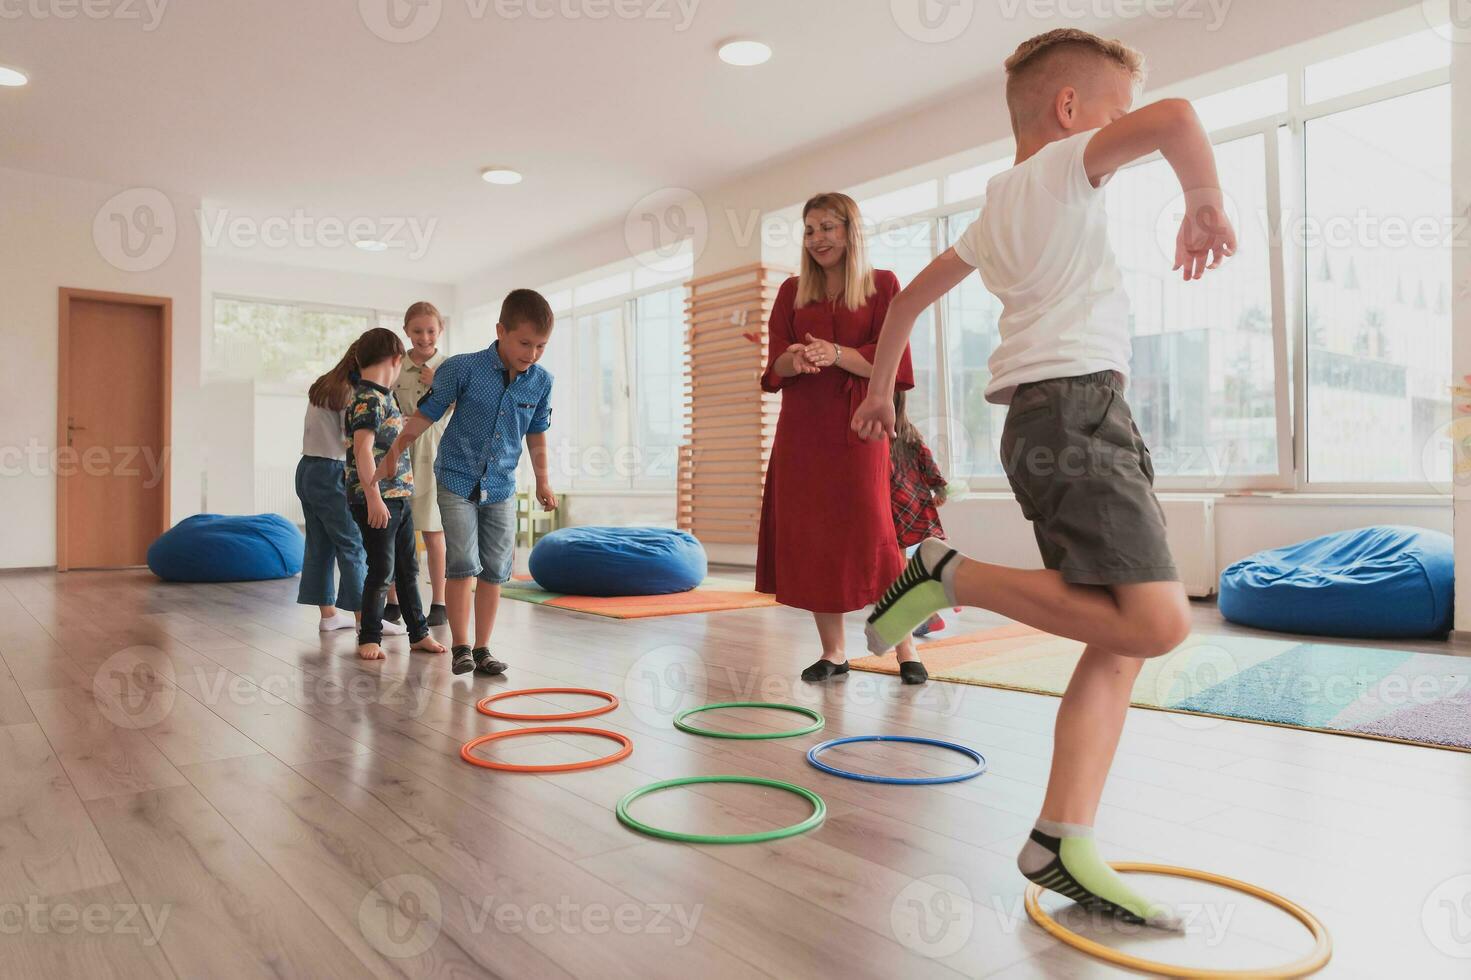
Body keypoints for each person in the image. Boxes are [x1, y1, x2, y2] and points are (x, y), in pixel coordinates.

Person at [851, 29, 1235, 929]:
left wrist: (878, 396)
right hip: (1077, 412)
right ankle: (948, 573)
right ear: (1069, 112)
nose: (1121, 130)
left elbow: (905, 302)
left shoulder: (996, 206)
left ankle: (1062, 840)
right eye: (1112, 111)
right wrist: (1204, 202)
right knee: (1159, 621)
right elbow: (1176, 119)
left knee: (1118, 636)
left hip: (1051, 416)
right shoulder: (1067, 164)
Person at [756, 192, 928, 685]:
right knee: (814, 538)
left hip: (861, 430)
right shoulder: (791, 292)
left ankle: (906, 649)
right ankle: (834, 653)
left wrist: (836, 353)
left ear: (851, 231)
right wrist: (799, 359)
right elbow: (774, 370)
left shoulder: (884, 286)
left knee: (877, 534)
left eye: (827, 228)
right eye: (810, 230)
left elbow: (891, 362)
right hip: (802, 435)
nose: (817, 239)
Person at [377, 289, 557, 676]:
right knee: (462, 562)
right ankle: (460, 646)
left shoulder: (540, 382)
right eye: (524, 343)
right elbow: (426, 414)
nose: (532, 353)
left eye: (541, 345)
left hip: (502, 485)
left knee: (495, 568)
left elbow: (537, 433)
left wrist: (543, 480)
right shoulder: (462, 368)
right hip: (456, 478)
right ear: (501, 331)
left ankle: (483, 649)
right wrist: (394, 452)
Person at [345, 328, 447, 661]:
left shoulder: (382, 396)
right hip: (379, 499)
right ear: (395, 360)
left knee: (407, 568)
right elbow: (362, 449)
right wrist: (373, 497)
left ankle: (418, 633)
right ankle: (369, 637)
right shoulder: (369, 397)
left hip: (398, 495)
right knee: (381, 569)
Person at [295, 343, 400, 634]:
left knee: (319, 544)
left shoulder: (324, 383)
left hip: (307, 468)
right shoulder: (353, 393)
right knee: (353, 543)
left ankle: (329, 615)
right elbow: (356, 442)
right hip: (331, 471)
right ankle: (364, 619)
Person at [383, 301, 451, 628]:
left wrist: (437, 381)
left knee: (433, 530)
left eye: (431, 330)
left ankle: (439, 600)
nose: (424, 337)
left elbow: (460, 407)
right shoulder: (396, 367)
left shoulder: (450, 367)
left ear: (440, 331)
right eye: (417, 331)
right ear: (407, 331)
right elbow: (385, 405)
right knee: (397, 530)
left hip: (434, 455)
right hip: (400, 452)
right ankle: (393, 598)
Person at [888, 390, 949, 638]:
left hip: (895, 505)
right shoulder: (911, 433)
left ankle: (931, 610)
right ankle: (934, 597)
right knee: (900, 561)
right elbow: (928, 461)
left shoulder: (878, 433)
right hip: (914, 503)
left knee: (897, 564)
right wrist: (940, 486)